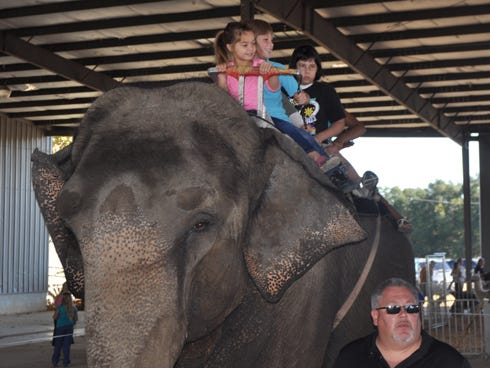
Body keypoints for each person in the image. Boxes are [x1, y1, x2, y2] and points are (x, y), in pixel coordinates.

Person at [213, 21, 337, 172]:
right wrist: (221, 75)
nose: (251, 48)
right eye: (246, 45)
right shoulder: (228, 69)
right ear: (230, 47)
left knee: (290, 130)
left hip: (265, 116)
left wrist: (270, 73)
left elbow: (289, 93)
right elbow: (222, 97)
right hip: (239, 117)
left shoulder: (265, 66)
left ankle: (318, 159)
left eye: (252, 44)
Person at [333, 277, 471, 368]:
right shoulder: (351, 357)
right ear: (375, 316)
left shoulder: (449, 362)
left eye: (411, 308)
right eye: (393, 309)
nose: (404, 314)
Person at [51, 291, 78, 368]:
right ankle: (65, 362)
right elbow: (76, 319)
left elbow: (54, 317)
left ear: (63, 299)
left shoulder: (60, 308)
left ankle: (55, 361)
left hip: (60, 328)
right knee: (66, 346)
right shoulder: (74, 308)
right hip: (69, 328)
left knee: (58, 345)